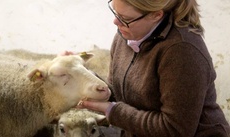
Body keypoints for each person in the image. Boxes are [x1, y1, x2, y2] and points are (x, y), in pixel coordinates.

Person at [75, 0, 230, 136]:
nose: (116, 21)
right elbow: (119, 96)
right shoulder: (126, 35)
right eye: (116, 12)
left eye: (125, 18)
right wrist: (81, 74)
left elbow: (174, 130)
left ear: (156, 15)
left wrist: (112, 111)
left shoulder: (182, 51)